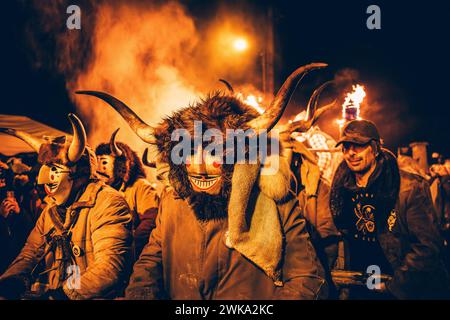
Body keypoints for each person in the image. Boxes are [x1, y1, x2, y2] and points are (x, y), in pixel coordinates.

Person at [77, 63, 331, 300]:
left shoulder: (274, 200)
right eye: (188, 154)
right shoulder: (173, 201)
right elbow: (152, 261)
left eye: (213, 154)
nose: (199, 167)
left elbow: (307, 278)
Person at [0, 114, 133, 300]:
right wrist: (9, 283)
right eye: (47, 169)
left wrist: (62, 294)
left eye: (55, 170)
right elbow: (30, 253)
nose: (46, 179)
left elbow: (110, 266)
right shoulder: (51, 210)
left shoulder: (108, 202)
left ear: (78, 174)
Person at [329, 119, 450, 299]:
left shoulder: (409, 187)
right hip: (363, 283)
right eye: (346, 146)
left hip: (402, 288)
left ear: (375, 148)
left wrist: (393, 286)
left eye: (358, 146)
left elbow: (427, 247)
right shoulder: (342, 190)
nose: (351, 153)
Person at [95, 129, 159, 258]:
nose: (99, 168)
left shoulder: (140, 187)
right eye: (97, 161)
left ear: (122, 166)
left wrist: (130, 245)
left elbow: (151, 220)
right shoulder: (101, 191)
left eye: (104, 162)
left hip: (131, 257)